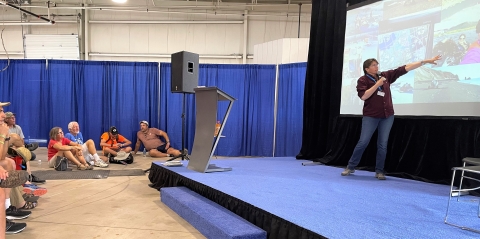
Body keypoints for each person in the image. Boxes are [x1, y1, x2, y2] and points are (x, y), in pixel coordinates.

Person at [341, 55, 441, 180]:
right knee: (363, 142)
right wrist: (377, 83)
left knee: (382, 144)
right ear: (367, 69)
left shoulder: (386, 76)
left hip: (387, 116)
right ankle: (350, 166)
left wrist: (425, 61)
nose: (377, 66)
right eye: (373, 65)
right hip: (371, 116)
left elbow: (405, 68)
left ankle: (379, 171)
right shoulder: (363, 80)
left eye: (377, 64)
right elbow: (364, 96)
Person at [0, 102, 31, 236]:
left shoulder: (8, 128)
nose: (3, 115)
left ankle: (10, 207)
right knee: (7, 165)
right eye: (0, 111)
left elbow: (1, 155)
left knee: (9, 163)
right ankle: (8, 208)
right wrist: (3, 136)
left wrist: (6, 136)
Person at [4, 112, 45, 183]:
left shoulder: (17, 127)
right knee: (26, 153)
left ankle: (29, 175)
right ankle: (29, 175)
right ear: (6, 119)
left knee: (28, 154)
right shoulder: (3, 128)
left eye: (14, 118)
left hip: (18, 147)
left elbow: (21, 141)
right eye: (11, 118)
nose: (14, 119)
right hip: (8, 148)